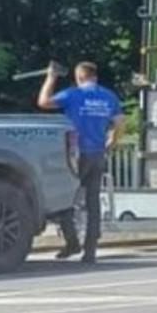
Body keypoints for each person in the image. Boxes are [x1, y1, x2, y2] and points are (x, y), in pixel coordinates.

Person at [37, 61, 124, 264]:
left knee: (65, 199)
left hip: (76, 154)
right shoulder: (108, 96)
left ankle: (72, 242)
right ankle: (90, 251)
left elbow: (43, 102)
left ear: (79, 76)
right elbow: (120, 122)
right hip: (97, 153)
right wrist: (111, 141)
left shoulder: (72, 95)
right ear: (94, 76)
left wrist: (51, 77)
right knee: (93, 203)